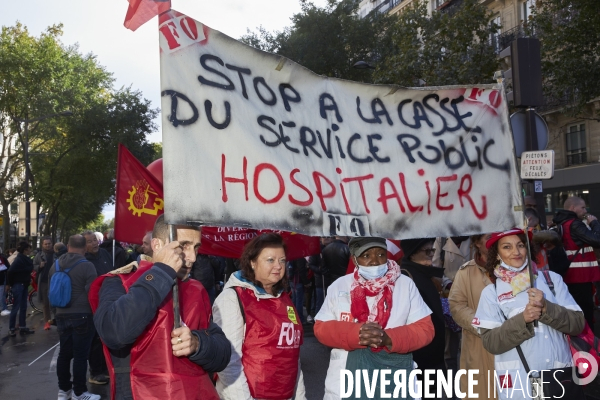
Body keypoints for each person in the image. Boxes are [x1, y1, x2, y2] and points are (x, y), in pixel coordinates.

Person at [90, 215, 230, 400]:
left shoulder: (195, 289)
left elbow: (223, 354)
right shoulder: (118, 282)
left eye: (196, 247)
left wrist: (198, 343)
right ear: (157, 246)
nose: (193, 257)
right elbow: (114, 332)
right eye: (184, 246)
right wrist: (162, 273)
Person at [314, 237, 434, 399]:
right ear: (355, 260)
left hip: (393, 375)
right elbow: (321, 328)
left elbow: (425, 329)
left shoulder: (405, 285)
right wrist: (356, 334)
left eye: (380, 254)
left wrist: (389, 338)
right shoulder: (339, 286)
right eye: (366, 255)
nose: (374, 261)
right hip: (348, 377)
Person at [473, 229, 584, 399]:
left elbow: (577, 324)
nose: (516, 252)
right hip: (521, 381)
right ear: (497, 254)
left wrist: (547, 307)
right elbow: (491, 342)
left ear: (528, 249)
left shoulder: (552, 280)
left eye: (520, 245)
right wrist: (523, 320)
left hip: (557, 376)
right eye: (507, 247)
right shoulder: (491, 292)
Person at [213, 233, 306, 400]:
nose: (278, 266)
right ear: (253, 262)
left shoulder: (284, 299)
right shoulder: (232, 299)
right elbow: (228, 362)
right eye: (270, 260)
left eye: (282, 260)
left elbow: (293, 357)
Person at [49, 235, 99, 400]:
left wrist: (51, 315)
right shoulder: (87, 266)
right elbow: (93, 293)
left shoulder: (55, 266)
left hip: (61, 314)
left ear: (68, 246)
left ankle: (63, 391)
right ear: (85, 248)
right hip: (83, 315)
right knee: (80, 355)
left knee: (64, 354)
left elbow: (50, 291)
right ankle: (80, 392)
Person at [448, 234, 495, 399]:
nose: (494, 240)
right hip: (479, 346)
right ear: (477, 243)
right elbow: (456, 305)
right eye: (489, 237)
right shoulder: (466, 272)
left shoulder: (518, 269)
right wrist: (484, 325)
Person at [400, 238, 446, 397]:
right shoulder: (405, 277)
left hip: (434, 353)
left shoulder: (423, 273)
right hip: (421, 355)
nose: (431, 255)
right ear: (412, 254)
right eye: (426, 251)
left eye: (432, 250)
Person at [552, 196, 600, 328]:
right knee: (585, 313)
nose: (585, 211)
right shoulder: (575, 224)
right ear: (573, 208)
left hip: (571, 274)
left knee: (576, 312)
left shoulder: (562, 224)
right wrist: (594, 223)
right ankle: (589, 345)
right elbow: (597, 240)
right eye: (583, 207)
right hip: (581, 276)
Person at [7, 241, 35, 336]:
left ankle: (21, 327)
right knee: (17, 307)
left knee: (23, 307)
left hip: (22, 284)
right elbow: (10, 271)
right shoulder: (20, 260)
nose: (30, 250)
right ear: (25, 250)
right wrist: (11, 283)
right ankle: (12, 328)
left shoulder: (22, 259)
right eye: (29, 248)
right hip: (19, 285)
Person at [34, 236, 55, 330]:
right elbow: (33, 265)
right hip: (44, 282)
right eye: (45, 244)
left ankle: (57, 320)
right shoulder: (39, 255)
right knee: (45, 303)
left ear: (52, 244)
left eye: (49, 244)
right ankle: (47, 322)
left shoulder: (56, 254)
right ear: (42, 244)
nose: (47, 246)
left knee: (56, 302)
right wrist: (39, 266)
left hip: (55, 281)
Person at [0, 252, 10, 316]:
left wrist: (7, 283)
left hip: (2, 281)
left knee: (1, 296)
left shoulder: (3, 259)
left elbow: (8, 271)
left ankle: (3, 309)